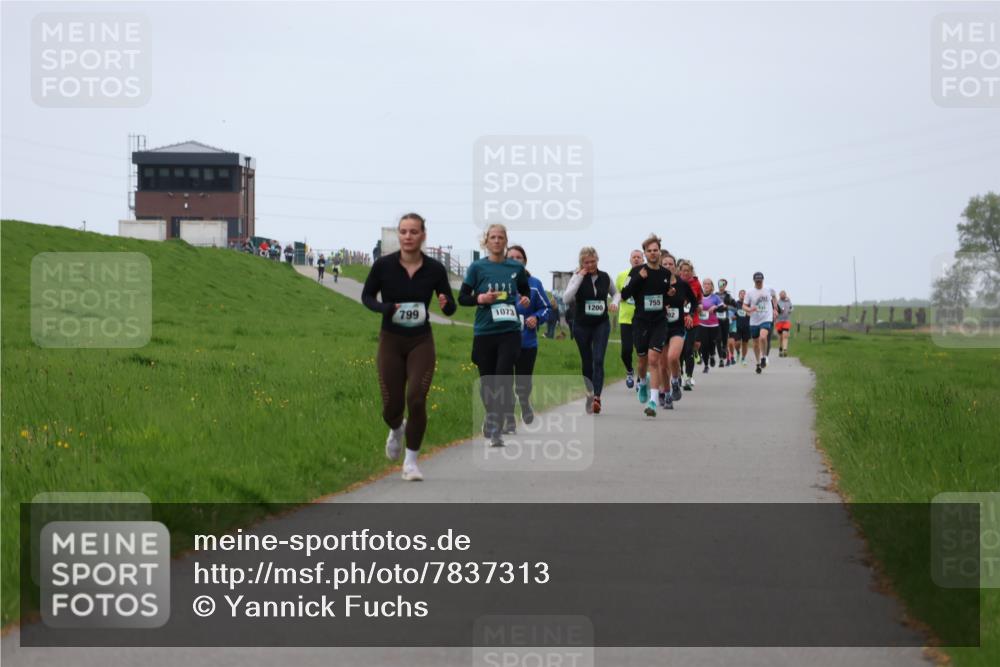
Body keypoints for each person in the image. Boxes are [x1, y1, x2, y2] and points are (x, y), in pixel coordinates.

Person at [361, 213, 456, 481]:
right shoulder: (383, 266)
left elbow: (450, 305)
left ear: (423, 235)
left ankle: (411, 462)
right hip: (391, 340)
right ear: (398, 235)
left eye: (414, 232)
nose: (408, 236)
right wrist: (385, 308)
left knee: (416, 398)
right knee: (391, 406)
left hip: (421, 341)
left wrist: (447, 304)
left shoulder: (435, 269)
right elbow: (367, 296)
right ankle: (396, 429)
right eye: (403, 231)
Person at [458, 224, 531, 447]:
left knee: (502, 377)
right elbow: (463, 297)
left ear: (506, 241)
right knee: (488, 380)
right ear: (486, 241)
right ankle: (492, 417)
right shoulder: (477, 268)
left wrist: (525, 299)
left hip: (509, 331)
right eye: (493, 237)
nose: (497, 241)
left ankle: (497, 426)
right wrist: (480, 299)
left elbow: (524, 289)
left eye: (501, 237)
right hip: (485, 331)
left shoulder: (515, 268)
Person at [620, 234, 673, 417]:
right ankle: (642, 382)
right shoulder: (636, 272)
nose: (652, 254)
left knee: (653, 360)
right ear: (644, 253)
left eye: (655, 250)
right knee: (642, 362)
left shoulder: (666, 274)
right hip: (641, 321)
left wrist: (670, 294)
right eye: (649, 251)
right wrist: (638, 279)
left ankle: (653, 401)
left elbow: (665, 297)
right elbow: (625, 294)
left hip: (659, 321)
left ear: (660, 251)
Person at [563, 247, 616, 415]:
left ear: (597, 261)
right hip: (582, 325)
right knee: (587, 362)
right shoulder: (576, 277)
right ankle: (589, 393)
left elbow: (616, 293)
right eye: (587, 262)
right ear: (581, 263)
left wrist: (615, 302)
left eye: (593, 261)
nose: (591, 265)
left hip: (601, 323)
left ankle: (597, 398)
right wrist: (579, 277)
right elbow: (566, 298)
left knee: (598, 360)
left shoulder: (605, 277)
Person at [505, 245, 552, 432]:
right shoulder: (500, 282)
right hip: (505, 341)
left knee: (523, 383)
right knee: (505, 381)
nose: (515, 260)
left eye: (519, 257)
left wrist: (536, 317)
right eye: (511, 257)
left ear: (525, 261)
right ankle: (509, 419)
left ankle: (524, 403)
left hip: (527, 342)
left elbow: (547, 307)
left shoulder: (534, 283)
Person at [613, 250, 644, 389]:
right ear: (630, 260)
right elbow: (618, 294)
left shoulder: (646, 275)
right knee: (626, 351)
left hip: (642, 319)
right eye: (634, 257)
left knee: (641, 351)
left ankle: (640, 378)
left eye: (639, 257)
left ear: (643, 259)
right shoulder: (622, 276)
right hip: (626, 319)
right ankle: (630, 371)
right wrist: (615, 302)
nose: (636, 259)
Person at [743, 271, 778, 374]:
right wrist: (749, 309)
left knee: (763, 337)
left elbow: (775, 296)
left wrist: (775, 308)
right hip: (754, 320)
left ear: (763, 280)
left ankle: (764, 356)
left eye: (760, 281)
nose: (759, 283)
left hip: (766, 317)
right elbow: (744, 306)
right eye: (757, 281)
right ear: (754, 281)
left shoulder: (768, 289)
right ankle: (758, 363)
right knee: (755, 343)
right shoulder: (749, 292)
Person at [677, 260, 703, 390]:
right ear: (679, 271)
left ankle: (688, 376)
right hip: (678, 321)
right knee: (680, 352)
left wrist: (699, 306)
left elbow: (699, 299)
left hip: (693, 321)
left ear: (691, 272)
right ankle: (680, 375)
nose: (686, 273)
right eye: (683, 270)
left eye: (688, 271)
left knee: (688, 350)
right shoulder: (676, 283)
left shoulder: (696, 284)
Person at [697, 278, 724, 374]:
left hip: (713, 325)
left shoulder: (715, 297)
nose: (707, 285)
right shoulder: (699, 296)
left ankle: (712, 355)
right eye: (705, 284)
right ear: (702, 285)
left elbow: (723, 307)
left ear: (712, 286)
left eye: (709, 284)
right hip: (702, 324)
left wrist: (716, 307)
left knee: (712, 343)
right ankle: (706, 365)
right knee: (704, 345)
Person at [715, 278, 735, 366]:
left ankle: (727, 357)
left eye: (723, 284)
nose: (721, 285)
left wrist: (727, 306)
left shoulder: (728, 296)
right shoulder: (714, 295)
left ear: (725, 285)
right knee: (718, 339)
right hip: (716, 320)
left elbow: (735, 307)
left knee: (724, 340)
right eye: (720, 283)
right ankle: (721, 359)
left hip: (725, 319)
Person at [735, 289, 752, 365]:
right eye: (741, 293)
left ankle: (743, 358)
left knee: (745, 343)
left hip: (747, 326)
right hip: (737, 326)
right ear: (739, 295)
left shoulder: (749, 304)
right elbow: (732, 312)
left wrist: (750, 314)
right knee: (737, 343)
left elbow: (753, 313)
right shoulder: (736, 304)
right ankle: (738, 352)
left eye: (744, 293)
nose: (742, 295)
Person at [776, 290, 793, 356]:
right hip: (779, 321)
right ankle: (780, 348)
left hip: (786, 321)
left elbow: (792, 308)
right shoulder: (777, 302)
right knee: (780, 337)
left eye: (784, 294)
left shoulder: (788, 301)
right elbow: (775, 310)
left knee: (785, 335)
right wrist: (779, 311)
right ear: (779, 295)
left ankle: (785, 350)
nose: (783, 295)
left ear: (785, 295)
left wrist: (790, 310)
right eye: (781, 294)